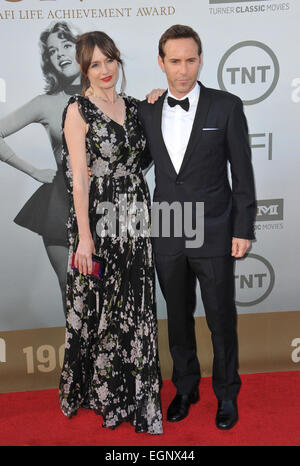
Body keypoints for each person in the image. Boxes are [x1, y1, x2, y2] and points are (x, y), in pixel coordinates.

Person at [138, 24, 256, 430]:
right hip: (168, 227)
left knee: (221, 318)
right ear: (161, 63)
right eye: (175, 61)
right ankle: (185, 388)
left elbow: (243, 173)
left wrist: (243, 228)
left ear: (200, 60)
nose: (183, 69)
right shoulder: (147, 110)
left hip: (215, 227)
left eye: (191, 60)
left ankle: (227, 394)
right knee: (178, 317)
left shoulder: (226, 106)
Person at [59, 31, 163, 435]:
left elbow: (153, 150)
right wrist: (85, 238)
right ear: (85, 70)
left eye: (110, 61)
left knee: (134, 303)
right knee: (101, 305)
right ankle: (104, 394)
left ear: (119, 61)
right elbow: (79, 181)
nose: (105, 71)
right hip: (98, 218)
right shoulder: (78, 110)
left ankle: (136, 392)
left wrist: (156, 101)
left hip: (135, 214)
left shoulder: (136, 107)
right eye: (95, 64)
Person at [0, 21, 82, 316]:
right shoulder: (45, 103)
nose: (59, 54)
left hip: (108, 203)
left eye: (66, 45)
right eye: (52, 51)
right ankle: (79, 358)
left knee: (108, 286)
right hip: (61, 203)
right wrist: (34, 171)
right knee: (70, 286)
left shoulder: (111, 97)